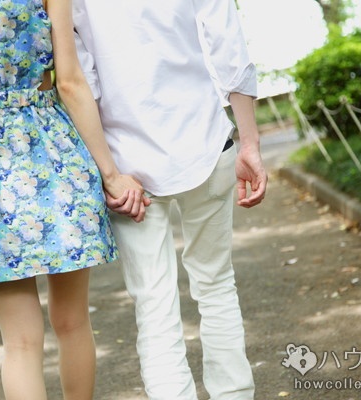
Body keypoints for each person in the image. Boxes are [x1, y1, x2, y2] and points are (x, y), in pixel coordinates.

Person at [0, 0, 149, 398]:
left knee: (19, 342)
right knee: (72, 322)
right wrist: (112, 175)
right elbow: (69, 82)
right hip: (54, 158)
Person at [72, 1, 268, 399]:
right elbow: (228, 46)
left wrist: (107, 171)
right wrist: (249, 142)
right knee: (216, 285)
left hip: (126, 166)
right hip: (204, 140)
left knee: (153, 304)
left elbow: (79, 80)